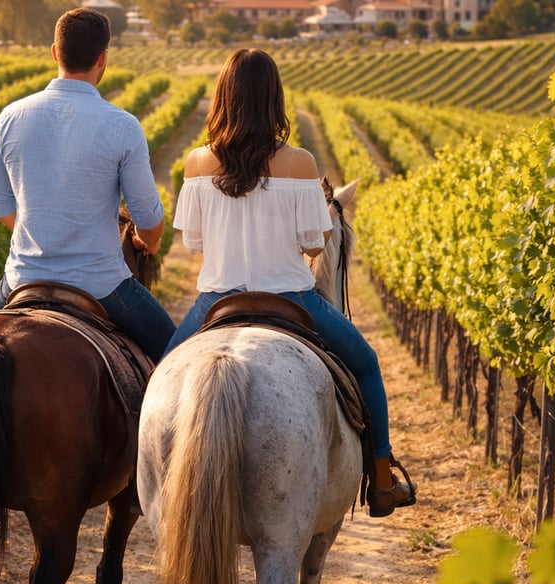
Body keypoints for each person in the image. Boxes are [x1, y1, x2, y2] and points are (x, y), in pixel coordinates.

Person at [165, 48, 416, 518]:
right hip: (291, 297)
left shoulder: (197, 163)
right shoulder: (300, 163)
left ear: (222, 97)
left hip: (217, 299)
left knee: (159, 377)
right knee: (366, 364)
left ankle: (141, 484)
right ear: (274, 99)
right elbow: (315, 246)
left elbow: (193, 245)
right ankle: (382, 480)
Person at [0, 7, 175, 363]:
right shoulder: (122, 126)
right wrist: (149, 242)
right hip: (101, 285)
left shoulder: (10, 117)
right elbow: (148, 219)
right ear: (103, 58)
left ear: (55, 53)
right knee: (175, 356)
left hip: (22, 279)